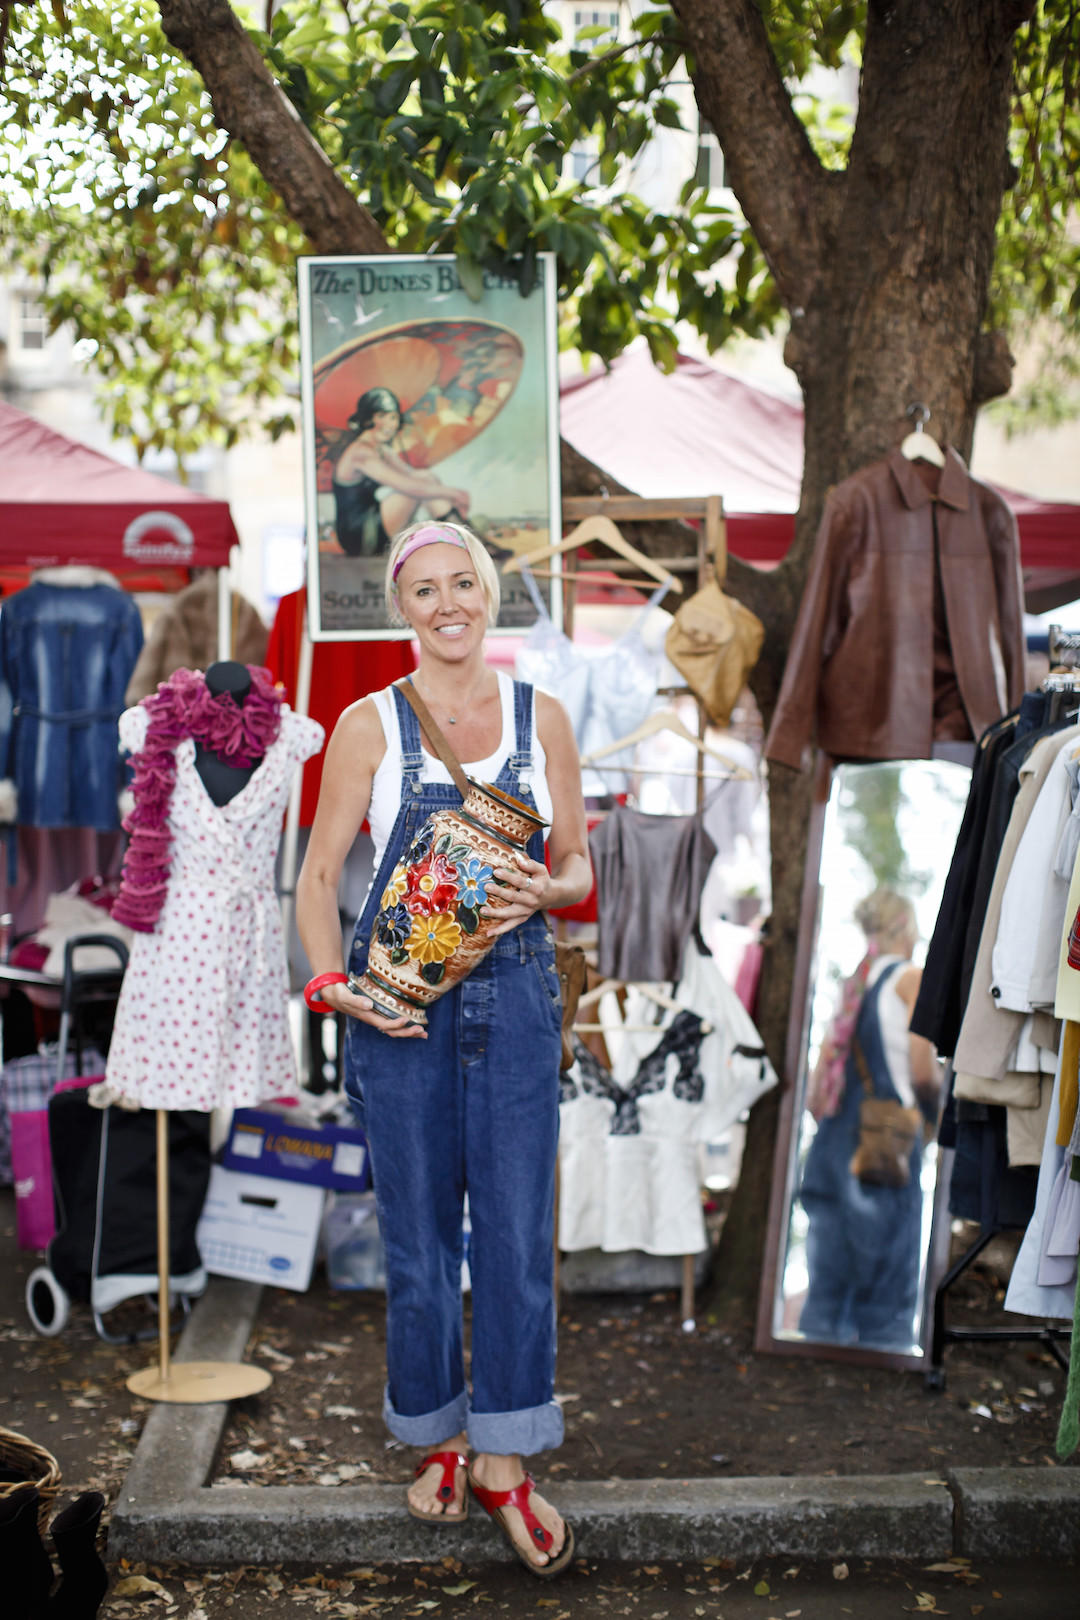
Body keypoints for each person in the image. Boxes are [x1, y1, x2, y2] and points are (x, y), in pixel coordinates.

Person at [296, 520, 591, 1575]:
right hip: (399, 1016)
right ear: (401, 606)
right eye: (426, 589)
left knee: (514, 1235)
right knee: (418, 1244)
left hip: (514, 1001)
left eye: (464, 582)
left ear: (491, 592)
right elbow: (319, 873)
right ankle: (440, 1434)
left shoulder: (540, 718)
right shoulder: (364, 726)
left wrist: (543, 891)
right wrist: (337, 989)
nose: (448, 602)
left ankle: (506, 1459)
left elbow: (576, 865)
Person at [797, 889, 942, 1349]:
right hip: (885, 1142)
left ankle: (815, 1365)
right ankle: (884, 1370)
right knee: (887, 1276)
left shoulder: (853, 989)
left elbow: (816, 1091)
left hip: (834, 1139)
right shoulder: (910, 979)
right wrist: (935, 1121)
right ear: (905, 926)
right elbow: (923, 1069)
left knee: (829, 1275)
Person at [331, 388, 472, 557]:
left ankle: (462, 536)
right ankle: (464, 539)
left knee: (426, 478)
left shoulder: (381, 449)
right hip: (359, 534)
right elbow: (407, 486)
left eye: (393, 417)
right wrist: (453, 493)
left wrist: (441, 489)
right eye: (381, 416)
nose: (389, 424)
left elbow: (414, 476)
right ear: (367, 418)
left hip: (373, 521)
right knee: (418, 490)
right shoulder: (361, 453)